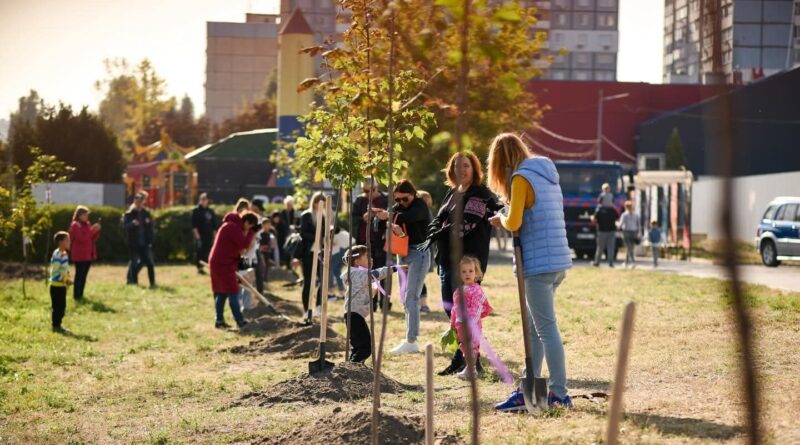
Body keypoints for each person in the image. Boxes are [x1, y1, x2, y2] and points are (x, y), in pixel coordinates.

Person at [486, 132, 574, 410]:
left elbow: (514, 222)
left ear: (499, 161)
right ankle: (528, 389)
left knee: (545, 329)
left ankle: (559, 393)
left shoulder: (520, 178)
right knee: (535, 328)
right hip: (557, 261)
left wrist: (500, 218)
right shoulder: (546, 175)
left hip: (538, 264)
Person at [423, 151, 502, 374]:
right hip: (447, 259)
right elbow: (438, 219)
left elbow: (464, 225)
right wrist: (434, 230)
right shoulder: (452, 193)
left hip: (467, 264)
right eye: (457, 166)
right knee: (453, 311)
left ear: (474, 169)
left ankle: (471, 362)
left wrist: (437, 233)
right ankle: (464, 358)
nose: (462, 170)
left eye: (466, 166)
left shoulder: (481, 194)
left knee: (465, 313)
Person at [375, 179, 431, 354]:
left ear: (413, 194)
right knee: (405, 298)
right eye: (397, 199)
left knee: (411, 297)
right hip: (402, 253)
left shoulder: (420, 205)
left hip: (418, 255)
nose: (401, 202)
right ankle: (409, 338)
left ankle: (411, 340)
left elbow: (408, 217)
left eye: (404, 199)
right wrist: (385, 220)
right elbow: (381, 224)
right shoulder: (400, 207)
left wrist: (388, 217)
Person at [209, 210, 258, 329]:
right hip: (223, 264)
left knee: (222, 292)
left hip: (221, 262)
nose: (249, 229)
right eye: (250, 226)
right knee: (232, 291)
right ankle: (240, 321)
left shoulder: (231, 226)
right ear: (246, 222)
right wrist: (252, 232)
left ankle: (219, 321)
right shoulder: (232, 227)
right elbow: (244, 245)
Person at [341, 245, 391, 363]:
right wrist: (394, 269)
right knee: (365, 348)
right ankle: (354, 366)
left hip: (355, 315)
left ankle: (352, 366)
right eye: (367, 256)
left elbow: (363, 292)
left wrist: (373, 291)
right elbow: (376, 274)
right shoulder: (356, 274)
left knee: (358, 347)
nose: (371, 258)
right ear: (357, 261)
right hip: (354, 316)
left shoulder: (359, 275)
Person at [450, 256, 493, 380]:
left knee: (471, 346)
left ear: (476, 274)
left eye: (470, 271)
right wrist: (452, 324)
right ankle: (469, 368)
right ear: (460, 274)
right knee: (465, 346)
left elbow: (477, 308)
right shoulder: (458, 291)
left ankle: (471, 369)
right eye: (464, 271)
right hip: (460, 324)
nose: (467, 274)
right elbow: (455, 309)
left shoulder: (476, 290)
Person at [351, 179, 389, 311]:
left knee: (382, 272)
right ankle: (371, 303)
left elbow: (393, 217)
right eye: (365, 190)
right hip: (363, 242)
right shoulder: (359, 200)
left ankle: (384, 302)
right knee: (366, 274)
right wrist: (363, 218)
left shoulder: (386, 199)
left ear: (377, 188)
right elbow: (352, 219)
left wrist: (382, 216)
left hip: (381, 241)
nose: (368, 193)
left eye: (371, 190)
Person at [300, 192, 326, 322]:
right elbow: (303, 233)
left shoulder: (323, 216)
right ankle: (307, 310)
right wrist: (316, 237)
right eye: (319, 203)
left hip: (320, 252)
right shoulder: (307, 215)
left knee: (323, 280)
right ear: (314, 203)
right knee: (308, 282)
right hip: (308, 253)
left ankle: (318, 307)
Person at [123, 192, 156, 288]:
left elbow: (151, 227)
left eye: (141, 201)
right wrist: (132, 224)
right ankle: (134, 282)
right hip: (134, 242)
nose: (138, 203)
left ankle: (153, 283)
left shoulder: (146, 213)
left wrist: (151, 239)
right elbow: (124, 226)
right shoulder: (129, 214)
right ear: (134, 201)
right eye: (137, 201)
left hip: (145, 242)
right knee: (134, 263)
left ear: (143, 202)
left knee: (149, 263)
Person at [68, 205, 101, 300]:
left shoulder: (87, 224)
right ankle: (76, 295)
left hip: (87, 254)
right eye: (85, 215)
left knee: (84, 276)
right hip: (79, 254)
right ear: (80, 215)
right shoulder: (75, 225)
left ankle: (81, 295)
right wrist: (92, 230)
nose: (87, 217)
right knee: (79, 275)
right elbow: (81, 238)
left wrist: (97, 231)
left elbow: (92, 238)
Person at [49, 231, 72, 334]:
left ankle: (58, 325)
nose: (69, 242)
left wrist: (67, 276)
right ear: (60, 242)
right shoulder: (58, 254)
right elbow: (55, 271)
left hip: (61, 285)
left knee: (62, 307)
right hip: (56, 285)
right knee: (57, 307)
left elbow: (64, 269)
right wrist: (65, 280)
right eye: (67, 240)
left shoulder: (64, 253)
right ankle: (56, 326)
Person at [416, 190, 434, 313]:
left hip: (422, 250)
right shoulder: (426, 212)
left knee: (419, 279)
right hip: (423, 249)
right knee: (418, 279)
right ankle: (420, 304)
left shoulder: (425, 213)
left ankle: (423, 304)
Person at [191, 193, 217, 275]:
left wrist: (215, 237)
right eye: (202, 199)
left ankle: (209, 266)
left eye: (205, 199)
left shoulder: (210, 211)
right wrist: (198, 237)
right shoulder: (196, 210)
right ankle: (200, 268)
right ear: (200, 200)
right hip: (200, 235)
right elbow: (194, 225)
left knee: (208, 252)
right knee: (200, 252)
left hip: (209, 236)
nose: (204, 201)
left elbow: (214, 225)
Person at [619, 200, 640, 268]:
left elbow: (620, 224)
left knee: (629, 248)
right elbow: (638, 225)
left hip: (626, 232)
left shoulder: (624, 215)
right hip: (634, 232)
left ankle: (633, 262)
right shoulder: (636, 215)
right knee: (630, 248)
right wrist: (638, 233)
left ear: (625, 207)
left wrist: (616, 224)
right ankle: (626, 263)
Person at [331, 226, 350, 298]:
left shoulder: (339, 235)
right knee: (337, 272)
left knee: (333, 271)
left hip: (337, 253)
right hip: (341, 252)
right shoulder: (344, 233)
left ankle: (336, 290)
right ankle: (342, 290)